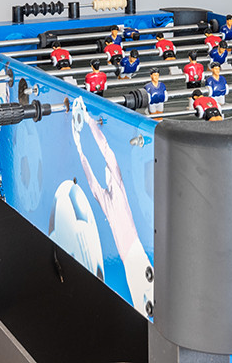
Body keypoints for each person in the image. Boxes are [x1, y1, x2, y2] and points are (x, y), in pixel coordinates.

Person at [70, 99, 155, 318]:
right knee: (140, 308)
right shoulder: (105, 199)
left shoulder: (118, 185)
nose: (107, 172)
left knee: (152, 298)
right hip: (128, 259)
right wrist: (79, 145)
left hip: (135, 251)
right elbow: (91, 179)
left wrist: (89, 121)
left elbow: (106, 151)